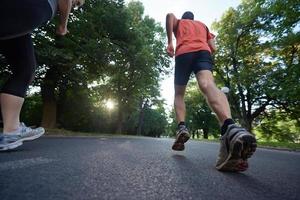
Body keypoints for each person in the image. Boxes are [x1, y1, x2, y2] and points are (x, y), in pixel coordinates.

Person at [166, 11, 257, 172]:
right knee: (208, 84)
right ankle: (230, 128)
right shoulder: (203, 26)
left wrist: (170, 42)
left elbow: (169, 16)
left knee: (179, 93)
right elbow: (213, 47)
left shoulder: (180, 22)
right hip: (203, 52)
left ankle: (182, 126)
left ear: (185, 17)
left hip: (184, 52)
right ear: (194, 18)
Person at [0, 0, 85, 151]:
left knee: (25, 69)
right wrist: (63, 25)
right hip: (30, 6)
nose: (73, 7)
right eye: (76, 3)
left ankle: (11, 131)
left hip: (22, 14)